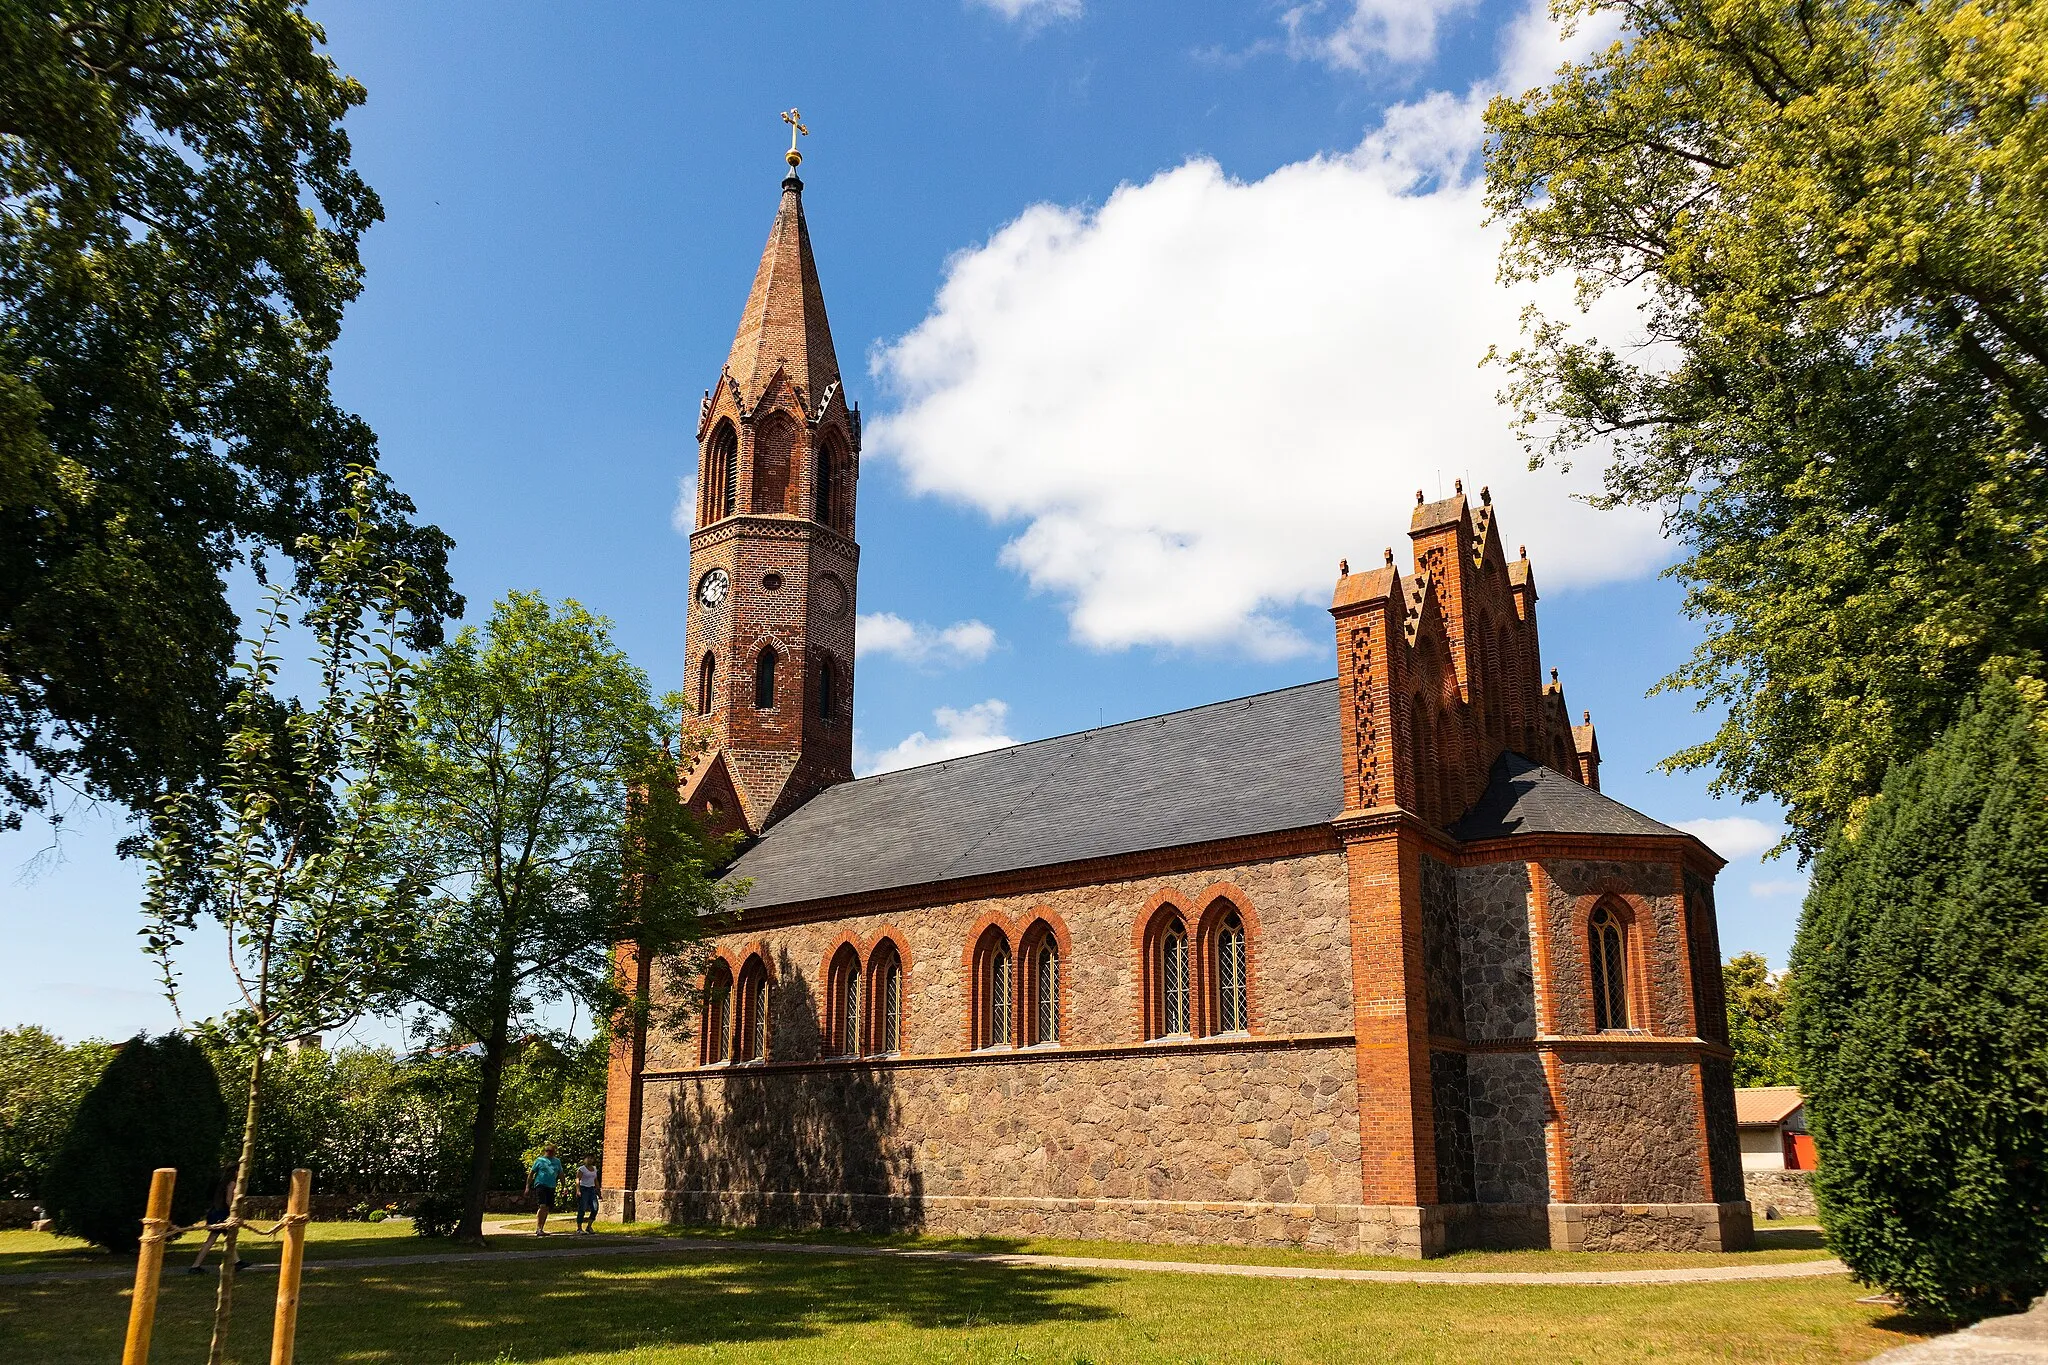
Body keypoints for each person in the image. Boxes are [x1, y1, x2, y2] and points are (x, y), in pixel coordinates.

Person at [187, 1163, 249, 1274]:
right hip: (221, 1215)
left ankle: (237, 1262)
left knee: (228, 1237)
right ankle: (195, 1266)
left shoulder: (223, 1183)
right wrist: (235, 1212)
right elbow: (228, 1200)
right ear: (235, 1172)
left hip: (216, 1213)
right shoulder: (232, 1183)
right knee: (213, 1240)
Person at [524, 1144, 564, 1236]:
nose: (549, 1153)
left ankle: (542, 1228)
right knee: (542, 1206)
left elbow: (561, 1174)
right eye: (547, 1151)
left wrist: (563, 1186)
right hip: (540, 1185)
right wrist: (527, 1187)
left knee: (546, 1208)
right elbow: (531, 1174)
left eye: (551, 1151)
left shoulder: (557, 1161)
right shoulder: (539, 1160)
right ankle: (538, 1228)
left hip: (552, 1186)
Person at [573, 1156, 600, 1233]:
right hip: (583, 1189)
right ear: (584, 1160)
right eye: (588, 1158)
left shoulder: (594, 1168)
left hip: (592, 1189)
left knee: (595, 1208)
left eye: (591, 1158)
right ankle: (579, 1228)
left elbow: (595, 1180)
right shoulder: (582, 1169)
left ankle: (589, 1226)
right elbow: (577, 1179)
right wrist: (578, 1190)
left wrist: (598, 1191)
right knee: (582, 1208)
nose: (590, 1159)